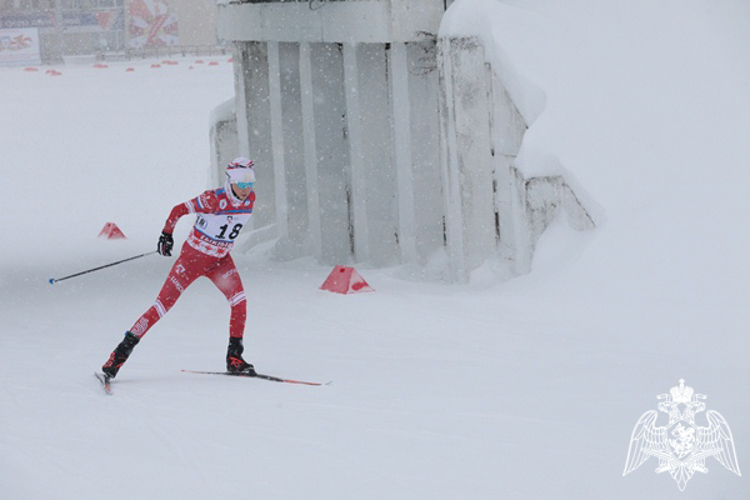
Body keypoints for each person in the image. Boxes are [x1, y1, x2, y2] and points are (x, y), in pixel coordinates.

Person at [102, 157, 258, 379]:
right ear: (230, 181)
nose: (246, 189)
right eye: (241, 183)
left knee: (239, 302)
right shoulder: (211, 199)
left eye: (250, 183)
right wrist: (167, 234)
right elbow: (178, 210)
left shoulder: (250, 198)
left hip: (220, 261)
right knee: (160, 307)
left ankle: (234, 358)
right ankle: (117, 357)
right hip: (191, 261)